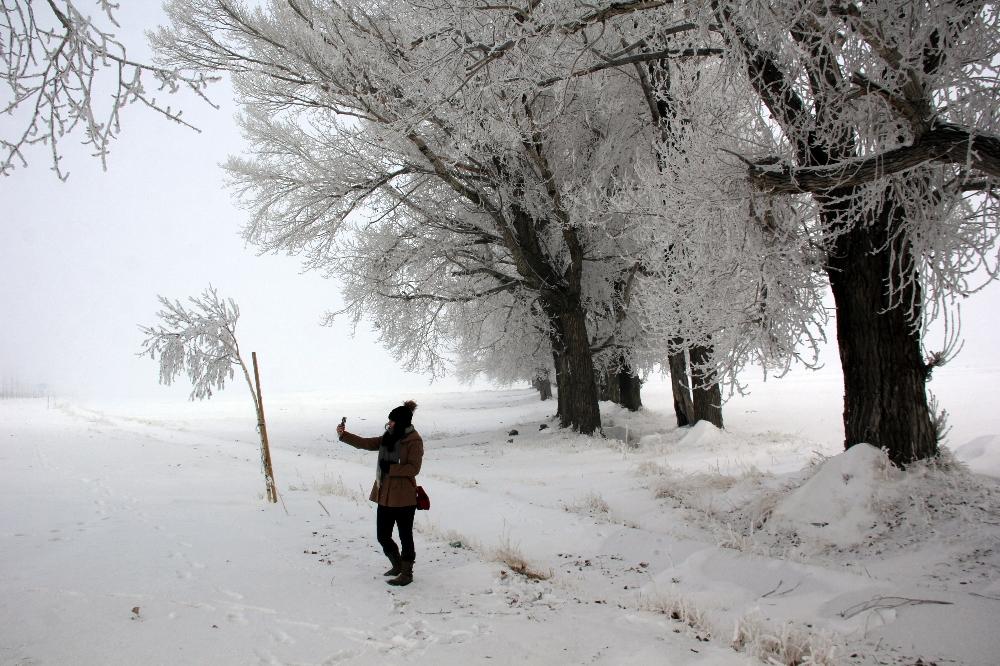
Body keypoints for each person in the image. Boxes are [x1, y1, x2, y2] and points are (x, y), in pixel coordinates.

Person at [336, 400, 423, 586]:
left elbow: (414, 468)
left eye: (392, 421)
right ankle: (398, 564)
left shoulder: (414, 441)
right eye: (389, 420)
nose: (389, 423)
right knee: (382, 535)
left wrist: (391, 469)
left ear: (401, 422)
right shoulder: (389, 436)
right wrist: (345, 435)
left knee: (405, 536)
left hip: (404, 497)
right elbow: (366, 443)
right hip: (384, 495)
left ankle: (407, 573)